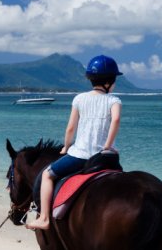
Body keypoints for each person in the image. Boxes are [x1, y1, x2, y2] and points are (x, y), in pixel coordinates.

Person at [26, 55, 123, 231]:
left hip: (80, 156)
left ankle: (45, 218)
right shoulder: (114, 101)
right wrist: (107, 146)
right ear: (110, 81)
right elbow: (115, 120)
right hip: (106, 158)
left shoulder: (79, 99)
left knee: (48, 174)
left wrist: (66, 146)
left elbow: (71, 128)